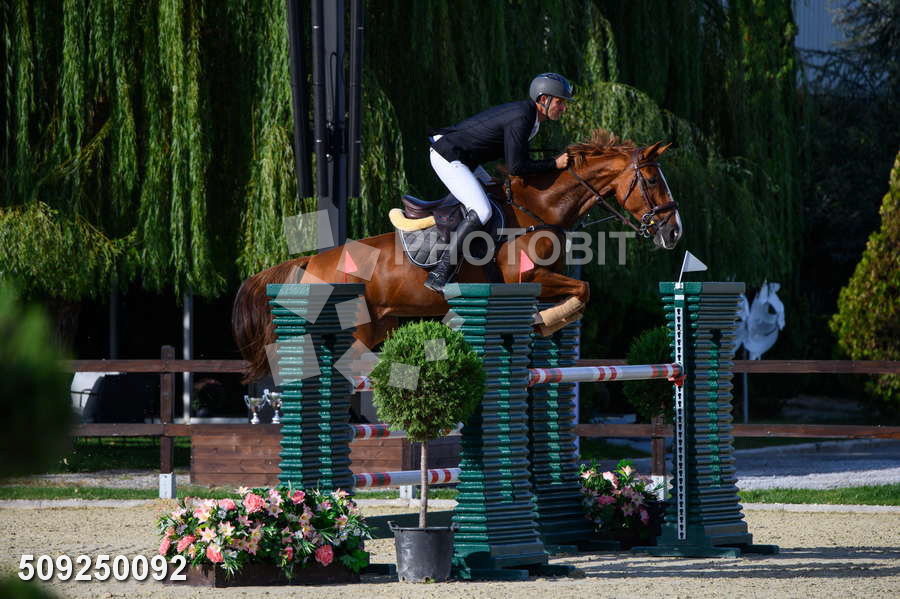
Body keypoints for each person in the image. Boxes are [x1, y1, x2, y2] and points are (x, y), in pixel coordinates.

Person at [423, 73, 574, 293]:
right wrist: (554, 163)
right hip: (448, 155)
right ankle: (440, 271)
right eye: (560, 102)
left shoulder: (531, 119)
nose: (563, 108)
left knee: (496, 195)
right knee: (482, 211)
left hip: (468, 160)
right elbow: (516, 167)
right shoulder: (522, 117)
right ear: (544, 99)